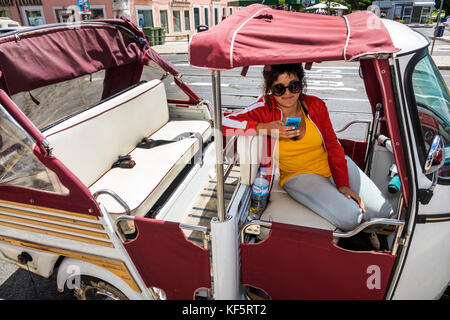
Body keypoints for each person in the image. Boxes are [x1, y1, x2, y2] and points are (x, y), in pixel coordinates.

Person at [222, 63, 393, 242]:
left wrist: (342, 183)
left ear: (301, 84)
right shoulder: (264, 109)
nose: (287, 93)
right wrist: (264, 127)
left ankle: (366, 231)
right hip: (299, 175)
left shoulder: (315, 105)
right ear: (270, 89)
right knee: (351, 218)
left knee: (384, 213)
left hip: (332, 164)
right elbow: (224, 123)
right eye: (279, 88)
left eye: (293, 86)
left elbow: (333, 144)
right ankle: (360, 235)